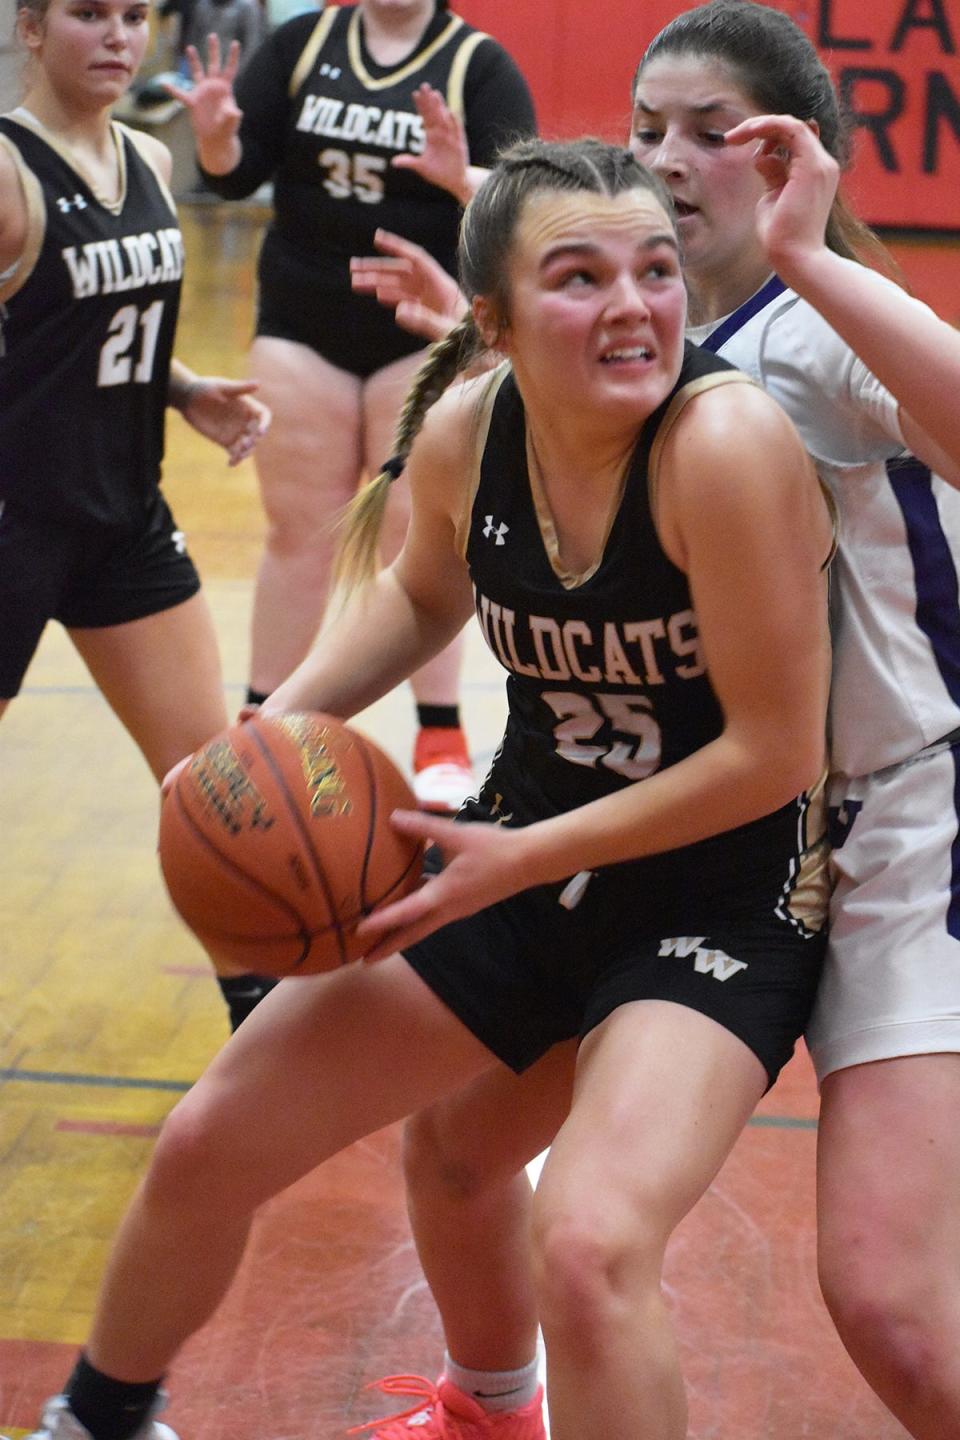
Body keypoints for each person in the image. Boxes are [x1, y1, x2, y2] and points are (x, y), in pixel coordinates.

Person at [16, 136, 835, 1440]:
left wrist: (519, 854)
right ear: (496, 323)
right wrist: (269, 732)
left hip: (720, 892)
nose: (633, 305)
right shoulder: (470, 431)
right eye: (580, 278)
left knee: (589, 1243)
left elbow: (777, 754)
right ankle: (128, 1418)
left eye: (657, 269)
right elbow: (415, 594)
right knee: (259, 1145)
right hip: (524, 849)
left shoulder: (723, 444)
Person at [341, 6, 960, 1438]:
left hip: (899, 828)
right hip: (721, 839)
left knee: (891, 1310)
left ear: (799, 152)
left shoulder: (829, 324)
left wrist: (809, 250)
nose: (671, 154)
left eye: (713, 129)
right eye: (649, 126)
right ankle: (492, 1407)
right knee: (461, 1148)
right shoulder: (643, 344)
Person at [168, 0, 537, 820]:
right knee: (297, 534)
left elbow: (525, 200)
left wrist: (457, 178)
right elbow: (231, 173)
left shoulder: (478, 65)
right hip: (303, 323)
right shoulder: (304, 46)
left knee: (421, 540)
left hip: (427, 330)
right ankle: (262, 721)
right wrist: (219, 133)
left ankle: (438, 732)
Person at [0, 0, 273, 1033]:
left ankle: (261, 1021)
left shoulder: (146, 160)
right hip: (15, 523)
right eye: (87, 15)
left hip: (122, 518)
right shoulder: (9, 169)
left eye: (133, 15)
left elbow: (107, 324)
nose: (118, 36)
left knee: (216, 803)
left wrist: (185, 387)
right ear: (30, 28)